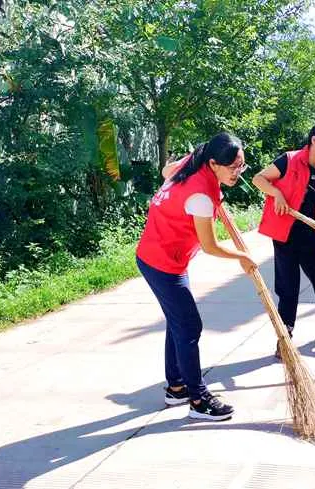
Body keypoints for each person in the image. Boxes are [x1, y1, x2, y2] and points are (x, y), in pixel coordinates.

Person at [136, 132, 257, 421]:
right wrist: (242, 256)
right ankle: (198, 399)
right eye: (233, 168)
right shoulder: (201, 195)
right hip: (161, 262)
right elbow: (210, 246)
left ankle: (176, 387)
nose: (238, 173)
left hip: (164, 255)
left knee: (178, 322)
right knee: (189, 326)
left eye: (242, 166)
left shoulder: (194, 161)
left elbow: (167, 170)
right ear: (214, 163)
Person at [252, 122, 315, 358]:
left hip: (311, 234)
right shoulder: (289, 160)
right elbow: (259, 179)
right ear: (314, 140)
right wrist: (276, 193)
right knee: (289, 288)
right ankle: (285, 339)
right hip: (286, 235)